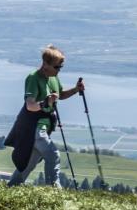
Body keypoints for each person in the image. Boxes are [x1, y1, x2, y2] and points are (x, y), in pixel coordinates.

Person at [5, 45, 84, 187]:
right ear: (45, 64)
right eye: (56, 67)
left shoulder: (54, 78)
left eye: (60, 67)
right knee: (53, 155)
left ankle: (11, 187)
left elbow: (60, 95)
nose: (58, 70)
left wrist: (76, 90)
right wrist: (46, 101)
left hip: (43, 127)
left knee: (30, 162)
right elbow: (30, 105)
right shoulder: (33, 78)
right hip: (33, 127)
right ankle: (53, 189)